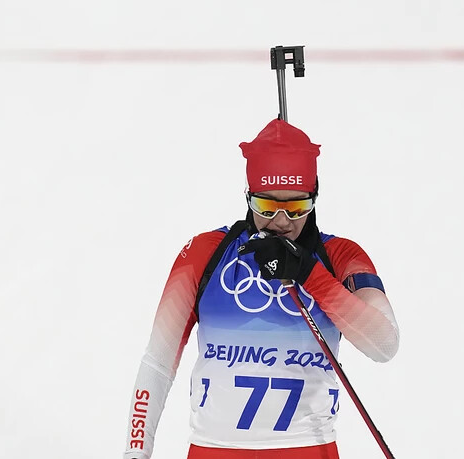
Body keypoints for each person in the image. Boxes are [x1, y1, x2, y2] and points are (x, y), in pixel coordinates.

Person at [124, 119, 400, 459]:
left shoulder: (341, 257)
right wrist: (135, 453)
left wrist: (309, 273)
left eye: (298, 207)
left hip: (308, 449)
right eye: (267, 207)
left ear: (315, 196)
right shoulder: (204, 253)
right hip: (215, 451)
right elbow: (158, 362)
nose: (282, 221)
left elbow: (384, 344)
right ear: (248, 195)